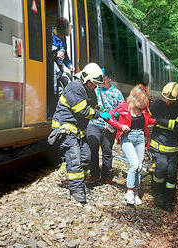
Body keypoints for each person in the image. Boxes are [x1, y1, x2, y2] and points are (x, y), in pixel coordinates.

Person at [50, 63, 111, 204]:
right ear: (86, 79)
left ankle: (78, 182)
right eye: (94, 83)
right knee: (75, 159)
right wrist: (99, 114)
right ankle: (77, 191)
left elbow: (94, 106)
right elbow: (82, 110)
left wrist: (101, 110)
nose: (95, 86)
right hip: (65, 128)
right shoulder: (75, 88)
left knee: (86, 157)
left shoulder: (90, 90)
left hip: (78, 131)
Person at [107, 85, 156, 205]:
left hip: (140, 138)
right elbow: (110, 118)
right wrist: (121, 126)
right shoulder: (123, 106)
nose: (142, 106)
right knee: (134, 164)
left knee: (139, 166)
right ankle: (129, 192)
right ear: (134, 98)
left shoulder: (144, 109)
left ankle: (135, 192)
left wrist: (160, 122)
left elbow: (148, 120)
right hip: (127, 137)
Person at [149, 82, 178, 211]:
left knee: (171, 176)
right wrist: (169, 123)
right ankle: (158, 194)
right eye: (166, 99)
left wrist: (160, 122)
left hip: (173, 149)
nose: (168, 102)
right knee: (160, 171)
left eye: (171, 100)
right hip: (158, 146)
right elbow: (149, 117)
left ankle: (169, 200)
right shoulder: (157, 104)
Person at [86, 69, 124, 184]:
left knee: (107, 151)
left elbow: (122, 108)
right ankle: (94, 174)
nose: (102, 79)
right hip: (94, 123)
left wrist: (114, 116)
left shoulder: (117, 93)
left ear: (109, 79)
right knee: (93, 147)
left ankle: (106, 176)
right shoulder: (95, 91)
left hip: (110, 126)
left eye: (104, 77)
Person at [52, 18, 75, 96]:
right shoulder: (49, 35)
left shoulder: (63, 38)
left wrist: (69, 65)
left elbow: (65, 54)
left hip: (60, 68)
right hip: (52, 69)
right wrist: (55, 54)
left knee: (67, 84)